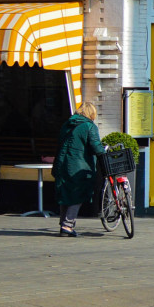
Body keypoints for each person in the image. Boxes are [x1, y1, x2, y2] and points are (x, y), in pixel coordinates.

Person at [52, 102, 102, 238]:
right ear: (91, 113)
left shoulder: (67, 124)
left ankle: (63, 224)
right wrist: (105, 153)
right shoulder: (89, 126)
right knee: (77, 194)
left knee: (65, 194)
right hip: (78, 166)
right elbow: (96, 146)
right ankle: (68, 225)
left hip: (61, 164)